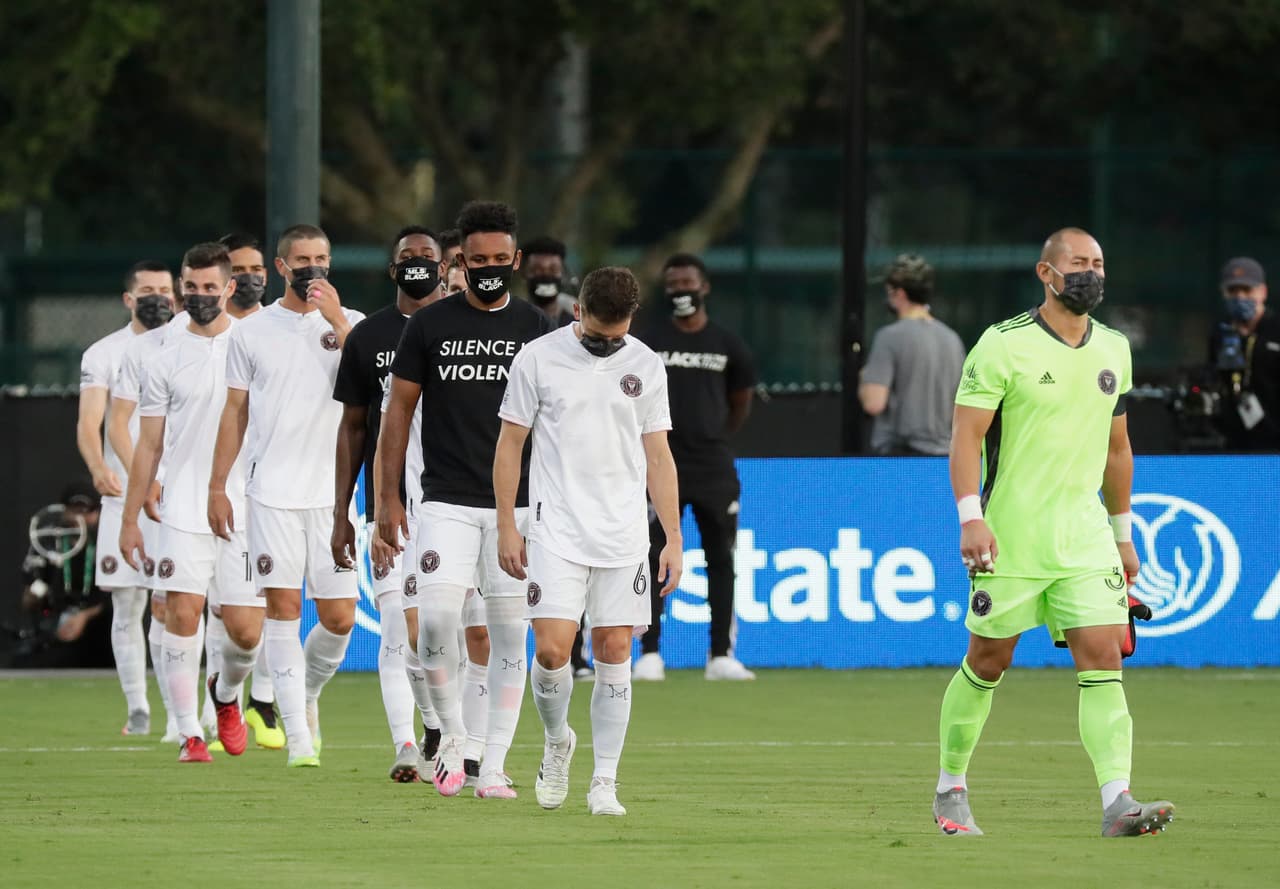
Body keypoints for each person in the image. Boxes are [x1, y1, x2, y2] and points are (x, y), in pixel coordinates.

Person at [936, 226, 1174, 838]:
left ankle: (1118, 802)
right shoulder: (1001, 344)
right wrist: (970, 517)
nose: (1091, 273)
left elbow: (1117, 449)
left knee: (1104, 659)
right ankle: (951, 786)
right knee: (988, 660)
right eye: (1079, 262)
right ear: (1047, 273)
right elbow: (965, 437)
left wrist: (1123, 535)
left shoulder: (1114, 347)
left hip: (1085, 538)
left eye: (1098, 262)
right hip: (1012, 537)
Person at [377, 200, 553, 798]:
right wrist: (388, 499)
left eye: (500, 259)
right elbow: (397, 415)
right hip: (444, 502)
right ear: (461, 262)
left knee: (508, 636)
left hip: (516, 508)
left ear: (516, 260)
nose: (489, 269)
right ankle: (451, 737)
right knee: (434, 624)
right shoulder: (429, 326)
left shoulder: (536, 328)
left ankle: (492, 762)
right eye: (478, 260)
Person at [495, 265, 681, 816]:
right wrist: (507, 523)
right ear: (577, 312)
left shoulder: (646, 364)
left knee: (614, 651)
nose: (607, 345)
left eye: (616, 336)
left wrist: (673, 538)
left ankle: (605, 782)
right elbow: (510, 444)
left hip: (624, 534)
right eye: (598, 335)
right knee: (552, 651)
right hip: (555, 529)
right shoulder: (537, 358)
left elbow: (658, 455)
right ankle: (557, 742)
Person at [210, 223, 365, 768]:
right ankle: (296, 736)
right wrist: (218, 486)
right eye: (302, 260)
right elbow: (235, 412)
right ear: (282, 267)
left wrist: (338, 322)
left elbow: (375, 388)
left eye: (321, 258)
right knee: (283, 609)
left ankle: (307, 694)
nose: (312, 268)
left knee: (340, 618)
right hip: (271, 492)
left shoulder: (353, 324)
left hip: (334, 496)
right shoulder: (251, 332)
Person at [120, 242, 259, 763]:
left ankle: (226, 693)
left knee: (246, 634)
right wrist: (130, 519)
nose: (199, 295)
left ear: (229, 288)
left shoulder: (253, 345)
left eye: (209, 287)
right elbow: (148, 445)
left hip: (247, 508)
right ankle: (188, 733)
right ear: (182, 286)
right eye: (192, 286)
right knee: (182, 613)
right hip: (182, 507)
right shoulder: (163, 356)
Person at [332, 225, 445, 782]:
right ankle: (408, 742)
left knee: (444, 635)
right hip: (388, 506)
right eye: (408, 256)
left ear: (445, 267)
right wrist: (345, 514)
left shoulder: (464, 332)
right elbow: (355, 428)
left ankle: (446, 734)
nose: (417, 263)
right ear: (392, 269)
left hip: (455, 504)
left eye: (428, 255)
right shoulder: (367, 337)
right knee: (400, 628)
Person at [635, 253, 756, 682]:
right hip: (659, 463)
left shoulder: (727, 344)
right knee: (652, 555)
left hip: (713, 467)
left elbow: (741, 401)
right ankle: (650, 652)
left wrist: (713, 433)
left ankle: (721, 654)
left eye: (687, 283)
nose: (680, 291)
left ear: (704, 287)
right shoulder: (648, 342)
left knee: (720, 557)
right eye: (673, 284)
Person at [77, 259, 175, 735]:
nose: (158, 298)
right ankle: (138, 707)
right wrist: (101, 469)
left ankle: (183, 712)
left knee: (173, 604)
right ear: (128, 299)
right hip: (125, 497)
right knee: (128, 604)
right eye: (148, 291)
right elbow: (92, 422)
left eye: (165, 289)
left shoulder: (187, 345)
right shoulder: (105, 353)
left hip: (177, 495)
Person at [210, 231, 282, 749]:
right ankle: (218, 703)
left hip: (267, 492)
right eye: (239, 270)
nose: (250, 278)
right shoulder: (193, 337)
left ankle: (261, 701)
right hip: (214, 493)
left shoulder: (279, 332)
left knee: (267, 615)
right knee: (229, 622)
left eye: (257, 269)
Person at [858, 253, 966, 456]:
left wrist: (865, 377)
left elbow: (874, 403)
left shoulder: (889, 337)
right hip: (944, 457)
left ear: (899, 294)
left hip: (899, 459)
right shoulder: (953, 339)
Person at [16, 481, 109, 667]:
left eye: (87, 511)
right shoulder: (47, 541)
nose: (80, 517)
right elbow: (30, 594)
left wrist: (84, 616)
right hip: (57, 626)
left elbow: (115, 597)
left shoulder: (107, 541)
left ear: (98, 513)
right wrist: (34, 594)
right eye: (75, 510)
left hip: (100, 629)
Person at [1208, 257, 1280, 450]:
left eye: (1247, 290)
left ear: (1262, 292)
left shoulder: (1275, 330)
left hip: (1274, 440)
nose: (1240, 297)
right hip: (1233, 441)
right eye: (1233, 291)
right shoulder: (1220, 332)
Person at [520, 235, 576, 327]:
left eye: (553, 269)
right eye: (537, 270)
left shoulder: (577, 325)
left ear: (562, 274)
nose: (546, 275)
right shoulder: (513, 320)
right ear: (524, 274)